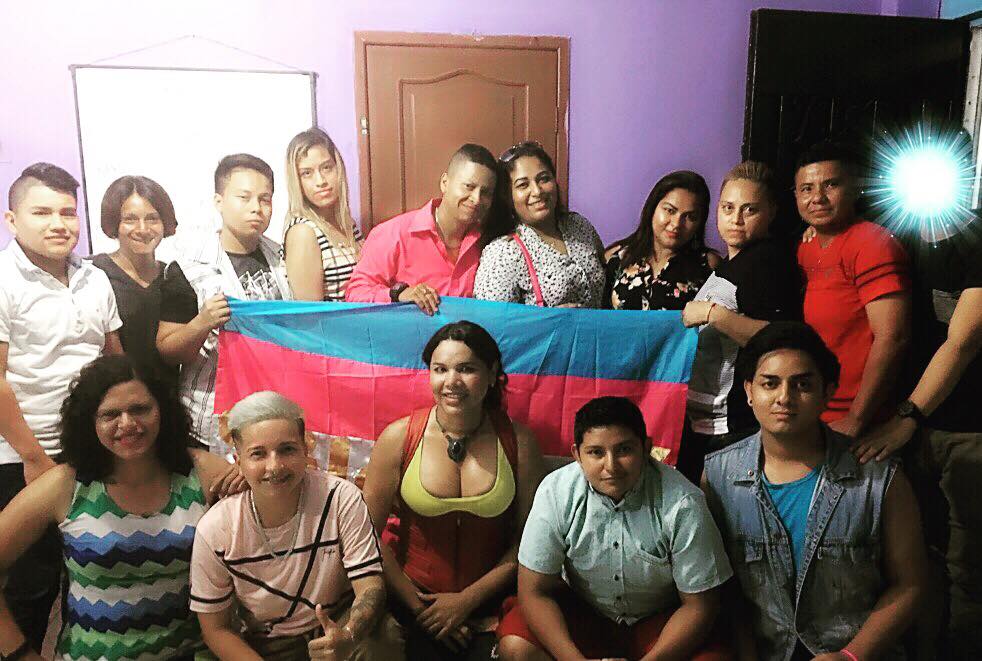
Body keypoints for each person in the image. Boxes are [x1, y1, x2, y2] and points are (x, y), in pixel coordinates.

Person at [702, 322, 927, 660]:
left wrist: (850, 656)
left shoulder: (878, 477)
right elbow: (723, 590)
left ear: (828, 392)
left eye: (802, 385)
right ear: (748, 391)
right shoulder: (719, 475)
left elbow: (911, 584)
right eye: (770, 383)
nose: (784, 398)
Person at [0, 355, 244, 661]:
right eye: (110, 414)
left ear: (163, 410)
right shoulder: (65, 485)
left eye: (140, 409)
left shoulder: (202, 471)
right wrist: (20, 654)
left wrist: (249, 478)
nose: (127, 424)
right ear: (89, 421)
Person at [497, 396, 733, 661]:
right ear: (577, 454)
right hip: (585, 611)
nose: (611, 466)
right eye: (596, 452)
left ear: (646, 448)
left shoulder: (683, 503)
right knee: (516, 648)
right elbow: (534, 591)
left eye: (624, 450)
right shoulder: (555, 492)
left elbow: (699, 606)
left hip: (662, 620)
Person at [362, 321, 544, 660]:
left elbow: (530, 541)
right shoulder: (399, 438)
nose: (451, 382)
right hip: (410, 600)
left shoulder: (519, 442)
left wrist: (466, 602)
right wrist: (422, 610)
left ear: (492, 374)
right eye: (440, 369)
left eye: (467, 369)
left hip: (493, 603)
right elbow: (366, 534)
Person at [0, 162, 123, 649]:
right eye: (42, 212)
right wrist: (33, 457)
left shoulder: (94, 278)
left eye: (68, 212)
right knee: (31, 582)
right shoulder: (4, 279)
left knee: (92, 571)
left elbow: (113, 362)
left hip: (91, 448)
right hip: (22, 453)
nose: (58, 223)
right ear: (12, 220)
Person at [853, 204, 982, 658]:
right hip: (905, 427)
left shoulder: (977, 238)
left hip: (967, 429)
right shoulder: (897, 235)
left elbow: (963, 340)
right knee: (912, 560)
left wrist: (908, 417)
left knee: (968, 569)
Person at [191, 391, 402, 660]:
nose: (275, 466)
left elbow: (370, 585)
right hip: (269, 641)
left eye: (287, 449)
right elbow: (216, 629)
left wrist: (349, 633)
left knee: (383, 639)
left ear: (306, 449)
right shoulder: (216, 528)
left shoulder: (341, 498)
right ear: (239, 461)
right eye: (258, 454)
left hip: (338, 621)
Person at [157, 154, 291, 451]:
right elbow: (167, 350)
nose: (256, 208)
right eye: (244, 197)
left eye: (265, 199)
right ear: (219, 202)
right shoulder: (188, 265)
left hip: (272, 410)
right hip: (212, 415)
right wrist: (202, 322)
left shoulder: (283, 257)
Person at [678, 162, 802, 481]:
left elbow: (782, 340)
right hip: (710, 421)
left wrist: (713, 314)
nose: (736, 219)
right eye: (728, 208)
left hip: (734, 424)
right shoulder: (732, 263)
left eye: (750, 210)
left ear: (771, 212)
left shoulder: (766, 262)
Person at [795, 141, 910, 437]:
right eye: (806, 189)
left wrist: (857, 418)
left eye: (831, 185)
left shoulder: (872, 243)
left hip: (860, 419)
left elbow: (893, 336)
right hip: (817, 409)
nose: (817, 198)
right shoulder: (807, 246)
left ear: (855, 188)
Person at [345, 144, 499, 315]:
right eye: (469, 186)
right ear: (445, 183)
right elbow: (355, 294)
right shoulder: (394, 234)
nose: (476, 199)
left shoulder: (489, 242)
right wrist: (399, 294)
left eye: (485, 193)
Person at [474, 141, 605, 308]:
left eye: (544, 179)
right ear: (508, 196)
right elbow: (492, 321)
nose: (537, 191)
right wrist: (547, 319)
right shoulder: (503, 253)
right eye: (523, 185)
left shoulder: (579, 226)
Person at [91, 175, 180, 386]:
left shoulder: (173, 277)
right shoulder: (93, 273)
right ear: (114, 223)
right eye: (130, 219)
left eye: (152, 218)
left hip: (169, 398)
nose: (143, 229)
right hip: (115, 397)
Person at [605, 170, 721, 310]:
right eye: (670, 210)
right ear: (653, 208)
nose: (676, 224)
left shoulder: (708, 265)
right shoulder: (617, 257)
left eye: (690, 217)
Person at [282, 128, 362, 301]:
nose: (321, 181)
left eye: (326, 168)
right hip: (334, 320)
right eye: (307, 173)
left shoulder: (347, 223)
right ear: (296, 180)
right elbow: (311, 312)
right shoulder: (303, 232)